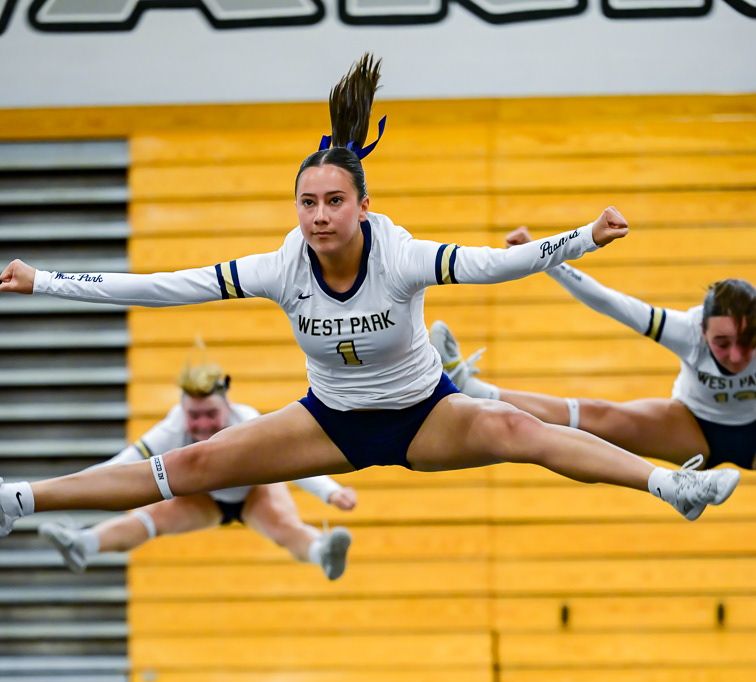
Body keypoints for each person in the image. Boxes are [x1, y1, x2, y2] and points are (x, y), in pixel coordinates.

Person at [0, 53, 741, 537]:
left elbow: (491, 265)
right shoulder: (281, 266)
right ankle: (20, 502)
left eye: (332, 201)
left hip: (425, 414)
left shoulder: (402, 255)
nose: (318, 215)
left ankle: (668, 485)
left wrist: (581, 237)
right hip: (331, 422)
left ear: (360, 204)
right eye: (306, 202)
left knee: (518, 431)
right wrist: (43, 281)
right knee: (189, 467)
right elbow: (162, 287)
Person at [431, 224, 756, 469]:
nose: (736, 357)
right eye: (722, 344)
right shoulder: (686, 330)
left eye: (748, 343)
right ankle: (473, 388)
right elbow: (608, 301)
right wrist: (545, 260)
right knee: (599, 416)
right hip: (693, 427)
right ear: (702, 330)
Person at [39, 359, 357, 581]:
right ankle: (83, 545)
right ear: (182, 410)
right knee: (147, 519)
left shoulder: (246, 420)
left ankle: (322, 553)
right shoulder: (171, 428)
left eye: (210, 414)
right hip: (203, 497)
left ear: (227, 407)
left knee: (285, 526)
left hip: (253, 492)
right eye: (195, 416)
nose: (203, 425)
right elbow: (121, 465)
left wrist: (330, 491)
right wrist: (74, 488)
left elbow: (291, 462)